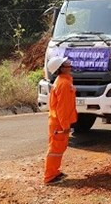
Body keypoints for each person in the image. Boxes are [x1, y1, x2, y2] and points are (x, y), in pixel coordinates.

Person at [44, 56, 77, 185]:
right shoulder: (63, 84)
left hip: (58, 122)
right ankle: (50, 176)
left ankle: (54, 173)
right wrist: (65, 125)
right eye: (66, 63)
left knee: (58, 149)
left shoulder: (63, 81)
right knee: (55, 150)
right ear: (61, 69)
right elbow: (62, 108)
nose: (69, 64)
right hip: (59, 123)